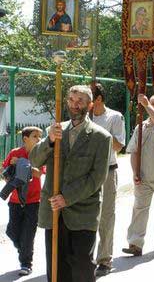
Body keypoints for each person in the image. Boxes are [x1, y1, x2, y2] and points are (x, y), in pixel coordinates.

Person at [30, 85, 112, 282]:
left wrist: (67, 198)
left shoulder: (101, 137)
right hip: (54, 213)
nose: (75, 106)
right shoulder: (55, 131)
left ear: (90, 105)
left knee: (82, 269)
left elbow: (97, 178)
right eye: (72, 101)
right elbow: (34, 160)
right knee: (56, 270)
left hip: (84, 214)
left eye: (80, 101)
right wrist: (49, 140)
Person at [122, 94, 154, 256]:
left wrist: (146, 106)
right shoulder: (140, 127)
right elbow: (134, 152)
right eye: (152, 103)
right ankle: (135, 244)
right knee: (139, 209)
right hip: (144, 177)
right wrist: (135, 173)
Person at [91, 83, 125, 277]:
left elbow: (119, 145)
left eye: (88, 96)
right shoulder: (81, 118)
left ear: (98, 99)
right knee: (85, 216)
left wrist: (96, 132)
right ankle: (85, 257)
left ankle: (104, 260)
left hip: (107, 172)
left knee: (106, 216)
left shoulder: (114, 117)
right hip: (84, 173)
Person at [2, 126, 44, 276]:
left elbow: (39, 174)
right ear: (25, 139)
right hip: (15, 201)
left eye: (40, 137)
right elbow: (5, 173)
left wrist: (23, 163)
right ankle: (23, 248)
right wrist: (13, 167)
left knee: (28, 234)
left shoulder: (40, 154)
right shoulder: (14, 152)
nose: (39, 139)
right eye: (35, 136)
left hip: (33, 201)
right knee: (12, 231)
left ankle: (26, 263)